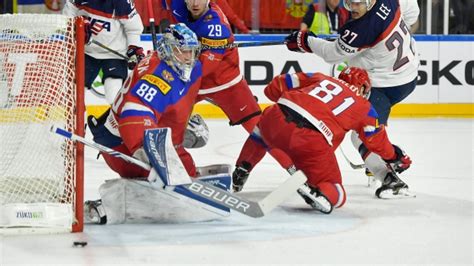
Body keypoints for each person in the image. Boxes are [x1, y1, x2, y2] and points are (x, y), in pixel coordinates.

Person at [83, 23, 228, 224]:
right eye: (183, 51)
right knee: (156, 181)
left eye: (192, 51)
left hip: (150, 132)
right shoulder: (156, 76)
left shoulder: (189, 67)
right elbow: (133, 114)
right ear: (169, 49)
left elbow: (178, 98)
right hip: (120, 141)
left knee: (187, 175)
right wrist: (145, 151)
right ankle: (105, 206)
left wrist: (181, 127)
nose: (189, 57)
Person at [233, 67, 412, 214]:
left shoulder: (319, 77)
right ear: (364, 88)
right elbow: (375, 141)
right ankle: (320, 192)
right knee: (338, 193)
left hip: (277, 116)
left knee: (262, 130)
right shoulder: (364, 106)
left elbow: (275, 86)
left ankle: (242, 168)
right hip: (310, 139)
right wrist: (394, 156)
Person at [284, 0, 419, 189]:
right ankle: (380, 158)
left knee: (361, 135)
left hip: (385, 84)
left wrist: (306, 41)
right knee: (368, 127)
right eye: (348, 3)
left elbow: (332, 54)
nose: (352, 8)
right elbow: (413, 12)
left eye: (357, 4)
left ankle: (390, 176)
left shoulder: (362, 28)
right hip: (409, 73)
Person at [170, 0, 295, 174]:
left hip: (225, 84)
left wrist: (173, 68)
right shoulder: (178, 5)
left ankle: (294, 167)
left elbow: (206, 68)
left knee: (261, 130)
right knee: (167, 117)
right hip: (195, 81)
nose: (195, 3)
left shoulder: (216, 25)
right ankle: (174, 165)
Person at [63, 0, 145, 104]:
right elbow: (67, 16)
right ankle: (81, 120)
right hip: (86, 52)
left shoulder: (123, 3)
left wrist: (134, 48)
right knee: (75, 94)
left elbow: (133, 29)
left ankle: (113, 120)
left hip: (115, 54)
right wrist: (76, 25)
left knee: (113, 94)